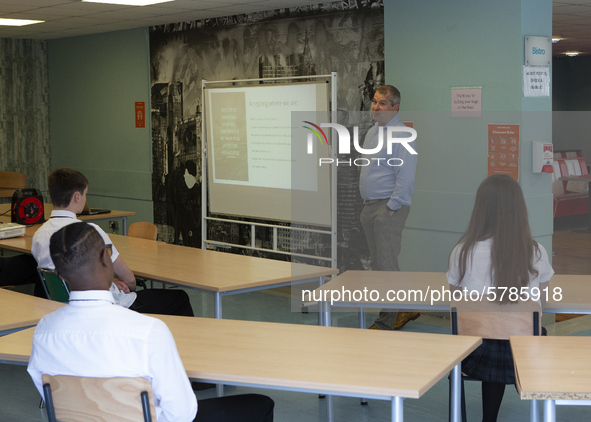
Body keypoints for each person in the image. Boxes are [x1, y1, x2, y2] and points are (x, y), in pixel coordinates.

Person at [27, 222, 274, 422]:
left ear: (58, 274)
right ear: (106, 259)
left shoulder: (43, 331)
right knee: (259, 405)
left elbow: (52, 400)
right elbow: (183, 413)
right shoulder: (147, 331)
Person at [446, 174, 554, 422]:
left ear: (480, 209)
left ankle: (489, 419)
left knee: (493, 339)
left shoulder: (461, 251)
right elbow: (541, 303)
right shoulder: (535, 252)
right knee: (518, 339)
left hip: (475, 352)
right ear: (519, 210)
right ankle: (536, 400)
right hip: (523, 349)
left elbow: (455, 301)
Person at [31, 168, 193, 316]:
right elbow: (128, 278)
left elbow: (68, 275)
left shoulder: (39, 235)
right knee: (179, 298)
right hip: (110, 306)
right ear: (77, 196)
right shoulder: (90, 232)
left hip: (67, 306)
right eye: (85, 194)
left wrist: (110, 281)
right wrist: (128, 289)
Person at [359, 85, 418, 330]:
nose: (376, 107)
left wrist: (391, 209)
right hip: (370, 207)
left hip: (387, 208)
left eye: (382, 103)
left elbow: (406, 177)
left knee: (385, 266)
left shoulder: (402, 135)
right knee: (382, 263)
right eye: (374, 102)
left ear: (395, 107)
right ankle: (405, 307)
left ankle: (387, 320)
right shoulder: (372, 132)